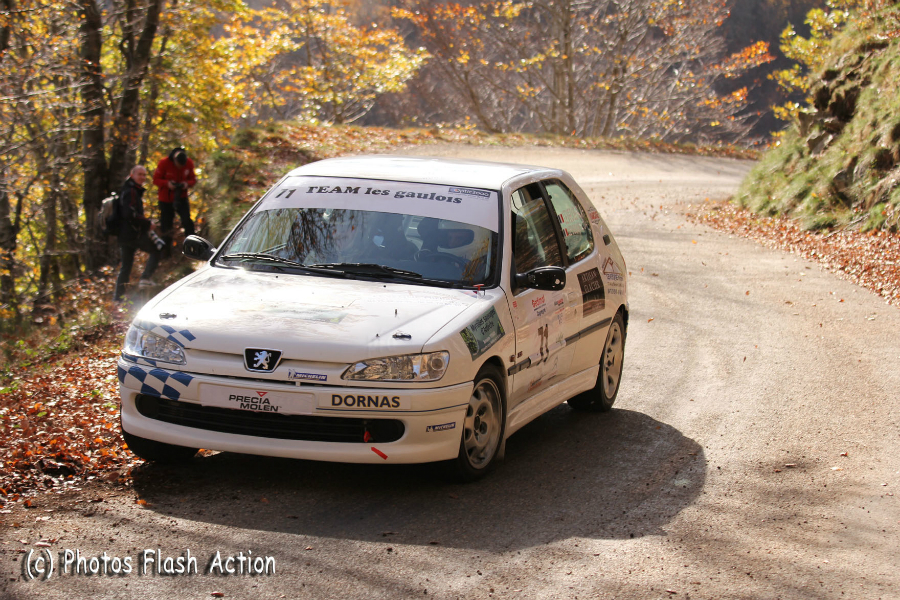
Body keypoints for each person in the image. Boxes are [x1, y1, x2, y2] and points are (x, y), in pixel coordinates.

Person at [115, 166, 161, 302]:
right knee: (157, 249)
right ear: (132, 174)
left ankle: (118, 299)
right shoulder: (131, 191)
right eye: (140, 174)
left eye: (144, 175)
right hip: (132, 234)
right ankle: (145, 278)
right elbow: (130, 214)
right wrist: (147, 223)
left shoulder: (129, 190)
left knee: (126, 267)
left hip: (125, 235)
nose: (142, 177)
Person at [153, 147, 196, 254]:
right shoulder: (164, 163)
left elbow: (193, 179)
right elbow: (156, 180)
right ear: (174, 160)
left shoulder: (189, 163)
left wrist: (187, 184)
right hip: (165, 199)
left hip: (181, 198)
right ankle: (166, 252)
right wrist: (167, 184)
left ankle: (193, 248)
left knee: (187, 222)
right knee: (166, 226)